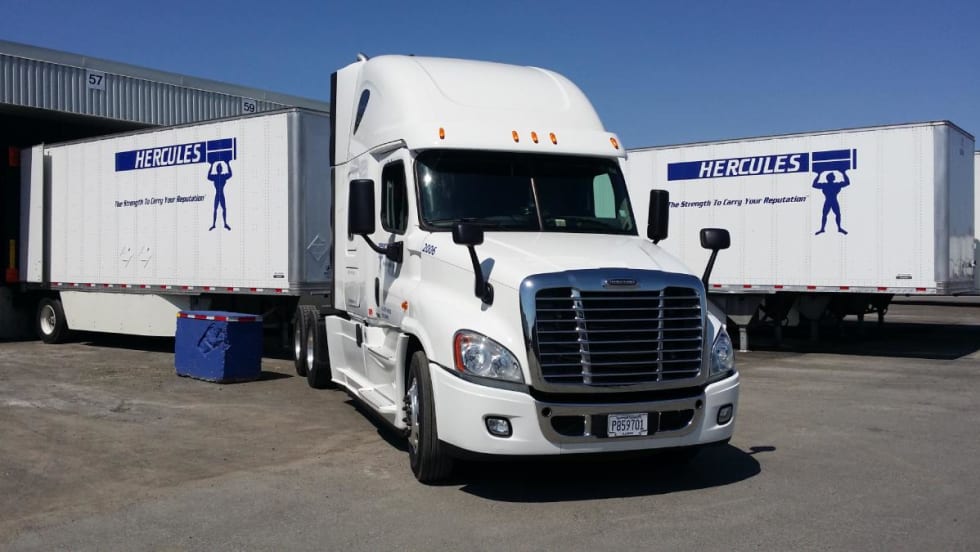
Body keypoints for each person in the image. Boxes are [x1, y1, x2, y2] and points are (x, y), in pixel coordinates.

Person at [812, 170, 849, 235]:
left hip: (832, 201)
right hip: (829, 201)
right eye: (833, 176)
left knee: (836, 214)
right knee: (826, 215)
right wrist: (843, 173)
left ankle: (838, 228)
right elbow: (814, 185)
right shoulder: (828, 185)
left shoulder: (834, 185)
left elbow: (847, 183)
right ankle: (823, 229)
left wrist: (819, 174)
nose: (834, 177)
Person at [208, 160, 232, 231]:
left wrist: (228, 164)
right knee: (215, 209)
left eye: (220, 167)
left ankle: (225, 223)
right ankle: (213, 224)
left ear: (221, 169)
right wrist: (211, 165)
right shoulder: (215, 176)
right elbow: (208, 176)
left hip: (221, 194)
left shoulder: (223, 176)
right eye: (218, 168)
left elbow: (230, 174)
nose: (219, 169)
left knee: (224, 209)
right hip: (218, 194)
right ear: (217, 169)